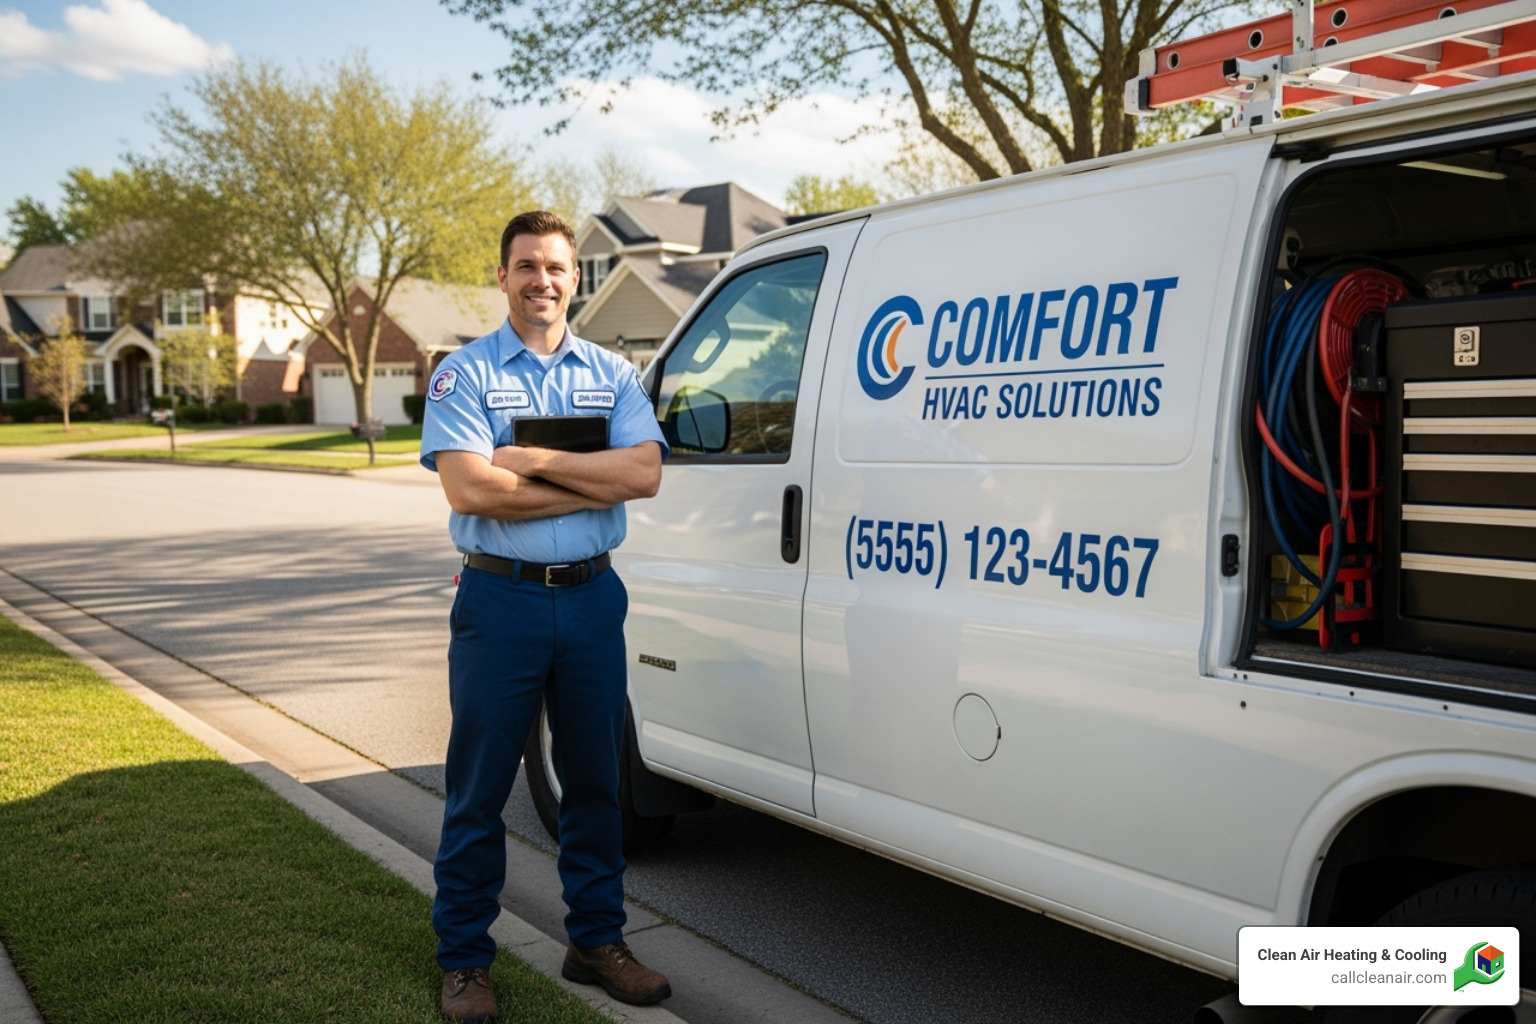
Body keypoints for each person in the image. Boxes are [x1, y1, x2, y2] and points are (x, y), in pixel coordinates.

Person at [419, 210, 670, 1023]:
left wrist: (534, 460)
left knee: (597, 782)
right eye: (526, 266)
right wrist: (585, 478)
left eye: (557, 267)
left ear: (576, 278)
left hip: (594, 599)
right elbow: (470, 489)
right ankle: (464, 959)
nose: (543, 281)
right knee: (480, 789)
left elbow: (643, 474)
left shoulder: (614, 375)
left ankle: (596, 942)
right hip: (502, 600)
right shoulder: (464, 375)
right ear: (502, 276)